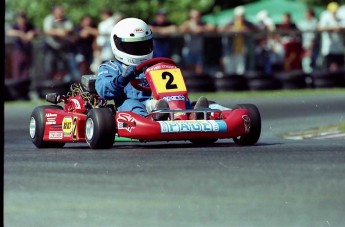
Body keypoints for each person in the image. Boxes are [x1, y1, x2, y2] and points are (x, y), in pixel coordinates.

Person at [95, 18, 211, 121]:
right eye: (133, 46)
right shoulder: (111, 67)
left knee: (181, 99)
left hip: (162, 103)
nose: (138, 50)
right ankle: (152, 118)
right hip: (130, 109)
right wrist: (122, 78)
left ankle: (192, 115)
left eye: (142, 46)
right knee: (130, 103)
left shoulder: (156, 64)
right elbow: (103, 90)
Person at [43, 5, 80, 82]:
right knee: (49, 66)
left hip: (63, 47)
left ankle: (64, 84)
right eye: (60, 12)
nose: (61, 14)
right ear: (54, 13)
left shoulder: (66, 19)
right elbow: (48, 31)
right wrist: (59, 32)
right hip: (51, 47)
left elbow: (70, 29)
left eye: (62, 12)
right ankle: (51, 83)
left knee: (65, 67)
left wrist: (61, 32)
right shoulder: (49, 19)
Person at [218, 6, 257, 75]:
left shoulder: (247, 23)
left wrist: (246, 30)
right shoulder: (230, 22)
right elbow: (220, 29)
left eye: (242, 15)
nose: (241, 17)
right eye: (239, 15)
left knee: (240, 72)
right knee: (229, 72)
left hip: (241, 52)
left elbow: (256, 28)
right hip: (230, 52)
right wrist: (232, 29)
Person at [179, 9, 216, 75]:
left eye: (197, 16)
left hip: (199, 51)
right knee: (189, 71)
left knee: (199, 71)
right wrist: (192, 29)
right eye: (194, 16)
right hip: (189, 51)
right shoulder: (187, 23)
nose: (196, 18)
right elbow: (181, 29)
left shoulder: (202, 23)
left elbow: (212, 27)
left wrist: (201, 29)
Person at [6, 11, 38, 79]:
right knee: (17, 70)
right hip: (18, 51)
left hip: (27, 51)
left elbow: (38, 31)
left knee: (27, 71)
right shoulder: (15, 26)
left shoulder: (29, 25)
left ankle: (25, 87)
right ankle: (18, 87)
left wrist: (32, 33)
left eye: (24, 17)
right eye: (21, 18)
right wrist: (20, 34)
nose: (22, 20)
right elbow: (9, 32)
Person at [318, 2, 345, 71]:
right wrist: (332, 29)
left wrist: (339, 28)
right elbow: (320, 28)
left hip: (339, 49)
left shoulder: (340, 15)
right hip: (328, 49)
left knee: (340, 69)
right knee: (330, 69)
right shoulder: (325, 15)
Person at [297, 8, 319, 73]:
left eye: (307, 14)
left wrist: (310, 48)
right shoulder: (303, 22)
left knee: (311, 63)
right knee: (306, 63)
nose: (305, 15)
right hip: (305, 46)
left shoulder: (315, 22)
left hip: (312, 47)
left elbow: (313, 37)